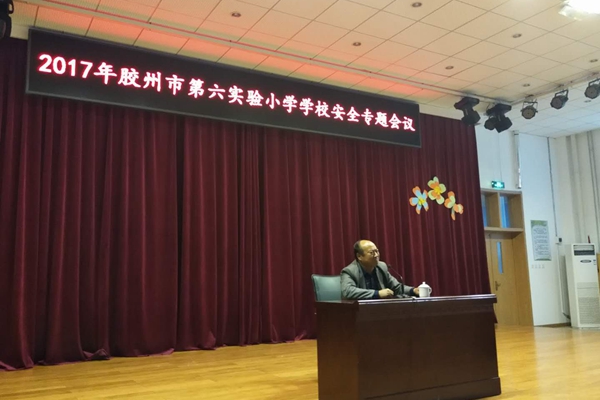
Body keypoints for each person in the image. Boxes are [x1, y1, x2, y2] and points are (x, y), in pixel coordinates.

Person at [341, 240, 422, 300]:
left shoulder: (381, 267)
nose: (376, 255)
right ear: (359, 256)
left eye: (377, 251)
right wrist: (377, 294)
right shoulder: (349, 271)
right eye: (372, 252)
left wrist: (413, 290)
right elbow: (348, 291)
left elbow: (396, 287)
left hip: (381, 309)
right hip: (360, 311)